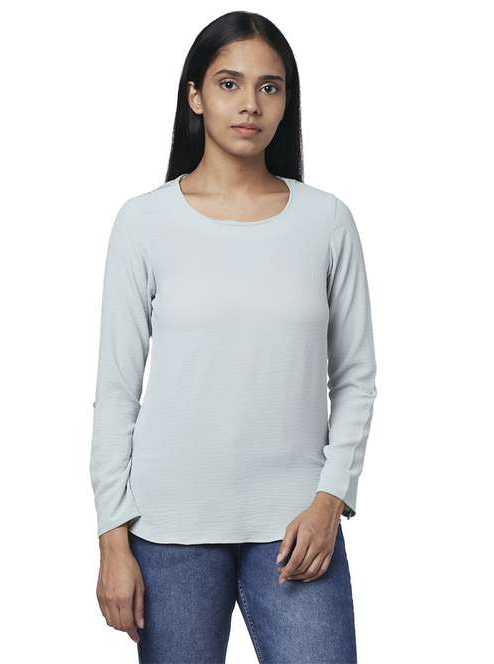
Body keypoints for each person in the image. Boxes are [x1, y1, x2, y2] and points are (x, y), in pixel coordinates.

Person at [90, 10, 378, 664]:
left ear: (286, 101)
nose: (251, 103)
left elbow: (356, 378)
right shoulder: (143, 223)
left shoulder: (327, 221)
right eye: (229, 84)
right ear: (195, 96)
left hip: (299, 528)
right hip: (169, 532)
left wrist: (330, 499)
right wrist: (112, 541)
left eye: (270, 87)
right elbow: (116, 394)